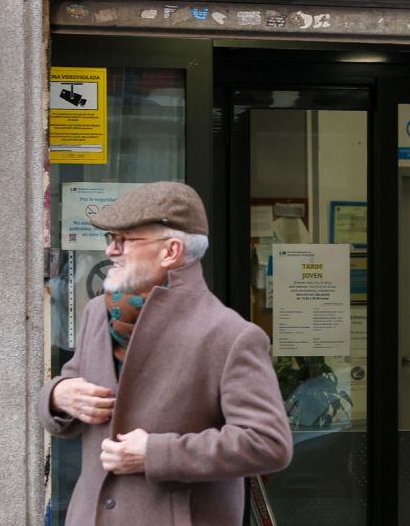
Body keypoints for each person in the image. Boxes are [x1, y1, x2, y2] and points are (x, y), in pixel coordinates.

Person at [37, 181, 293, 526]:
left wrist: (155, 454)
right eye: (110, 239)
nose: (112, 251)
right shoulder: (97, 312)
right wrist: (58, 396)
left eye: (124, 240)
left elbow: (268, 443)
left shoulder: (230, 335)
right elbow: (72, 382)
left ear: (170, 251)